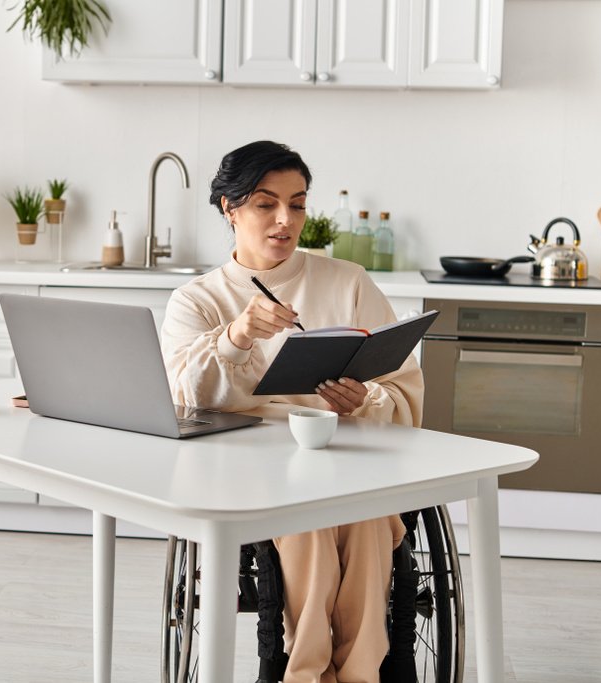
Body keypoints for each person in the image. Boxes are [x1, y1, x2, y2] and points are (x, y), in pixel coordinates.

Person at [160, 140, 423, 683]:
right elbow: (186, 399)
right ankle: (309, 673)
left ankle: (357, 675)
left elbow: (404, 396)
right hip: (249, 472)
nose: (286, 220)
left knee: (369, 520)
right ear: (229, 209)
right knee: (304, 525)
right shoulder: (197, 300)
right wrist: (235, 336)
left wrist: (367, 402)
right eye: (265, 203)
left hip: (347, 460)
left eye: (298, 204)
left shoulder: (348, 282)